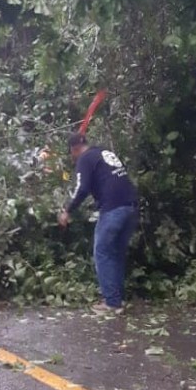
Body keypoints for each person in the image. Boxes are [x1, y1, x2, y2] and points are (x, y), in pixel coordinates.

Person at [58, 132, 139, 315]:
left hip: (113, 208)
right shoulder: (103, 152)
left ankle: (111, 303)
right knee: (115, 253)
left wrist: (67, 210)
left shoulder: (85, 158)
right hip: (131, 207)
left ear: (74, 149)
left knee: (102, 251)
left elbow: (82, 188)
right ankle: (117, 300)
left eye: (72, 153)